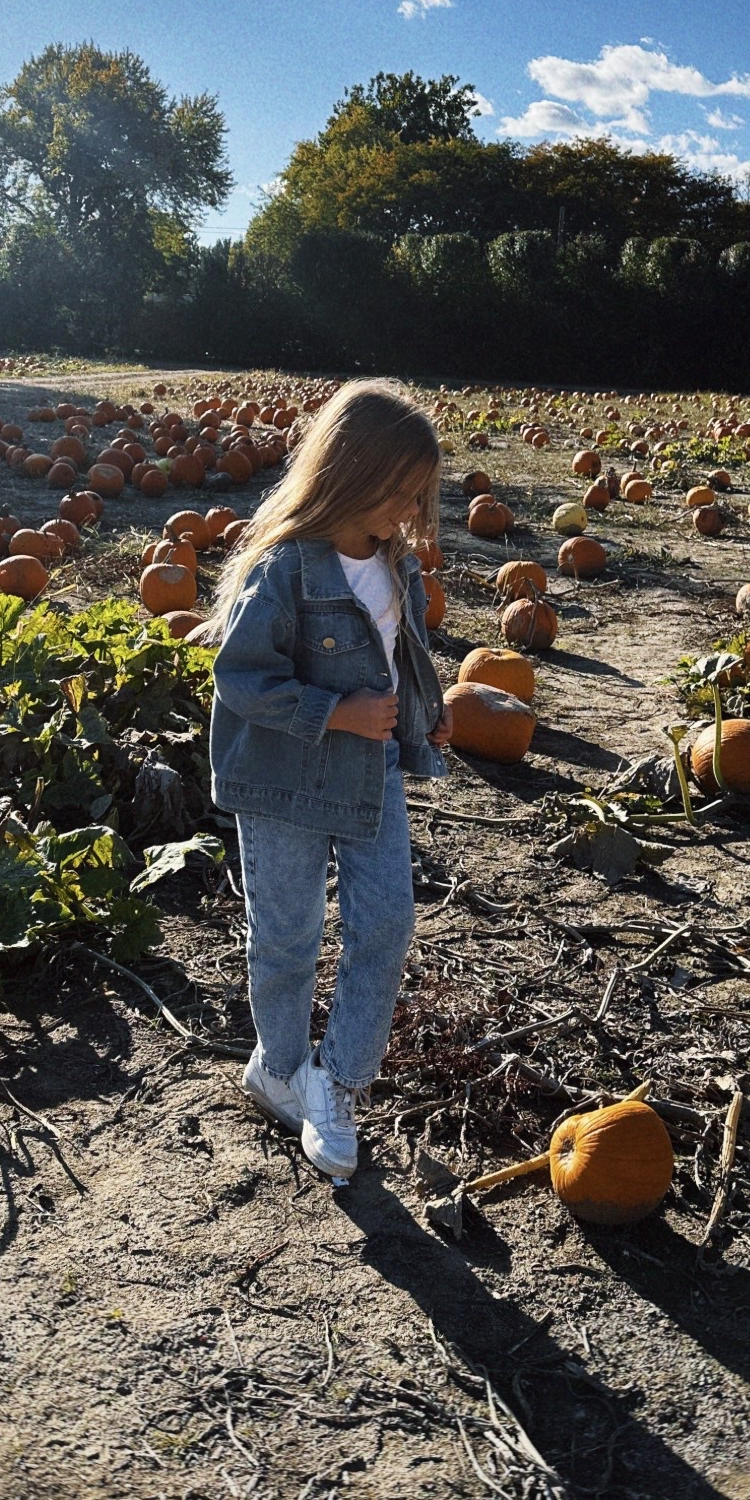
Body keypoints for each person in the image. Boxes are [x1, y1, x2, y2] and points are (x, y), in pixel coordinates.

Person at [202, 380, 452, 1180]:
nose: (410, 513)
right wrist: (334, 712)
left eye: (420, 498)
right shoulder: (281, 570)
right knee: (286, 936)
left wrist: (426, 713)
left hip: (369, 773)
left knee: (385, 923)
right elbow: (238, 679)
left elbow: (400, 653)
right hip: (282, 781)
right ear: (349, 472)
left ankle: (336, 1081)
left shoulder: (394, 565)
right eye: (400, 493)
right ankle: (278, 1068)